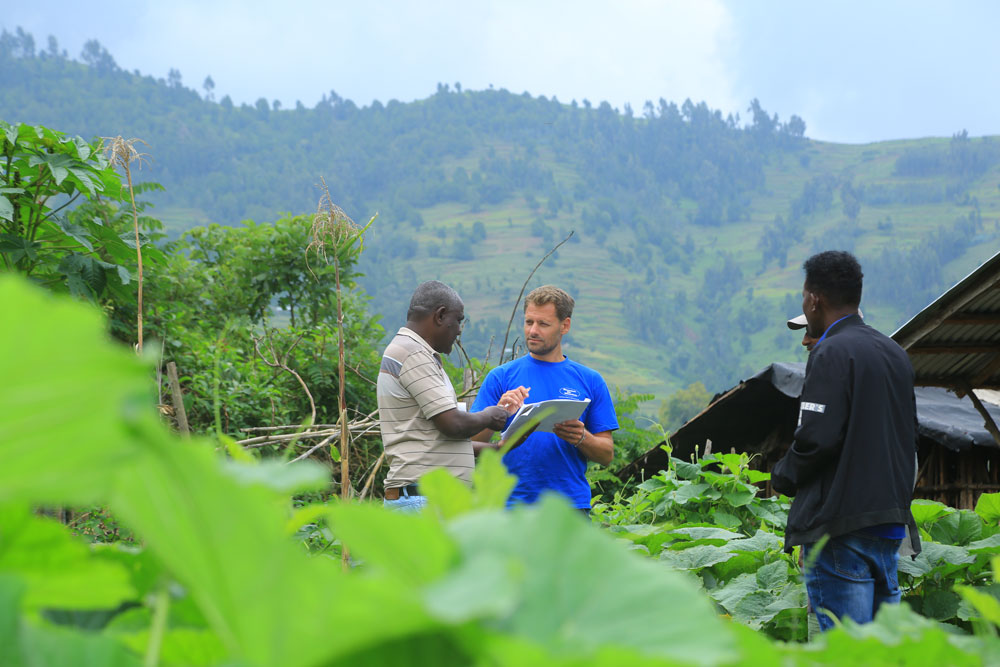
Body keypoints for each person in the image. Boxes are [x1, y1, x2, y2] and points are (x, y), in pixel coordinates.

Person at [771, 251, 920, 631]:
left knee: (846, 650)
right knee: (882, 653)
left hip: (841, 530)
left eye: (804, 296)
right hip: (888, 527)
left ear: (814, 299)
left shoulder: (831, 351)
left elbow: (816, 440)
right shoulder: (894, 353)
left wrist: (782, 477)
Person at [471, 285, 618, 512]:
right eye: (529, 322)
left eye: (543, 324)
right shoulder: (500, 377)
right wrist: (497, 413)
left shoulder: (590, 380)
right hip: (508, 507)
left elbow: (607, 454)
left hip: (569, 510)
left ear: (565, 326)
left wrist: (581, 437)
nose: (533, 331)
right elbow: (469, 443)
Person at [377, 281, 509, 512]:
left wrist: (495, 448)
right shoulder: (413, 353)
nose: (459, 330)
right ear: (440, 316)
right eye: (458, 320)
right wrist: (490, 415)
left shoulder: (414, 352)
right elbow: (453, 425)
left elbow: (433, 439)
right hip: (425, 502)